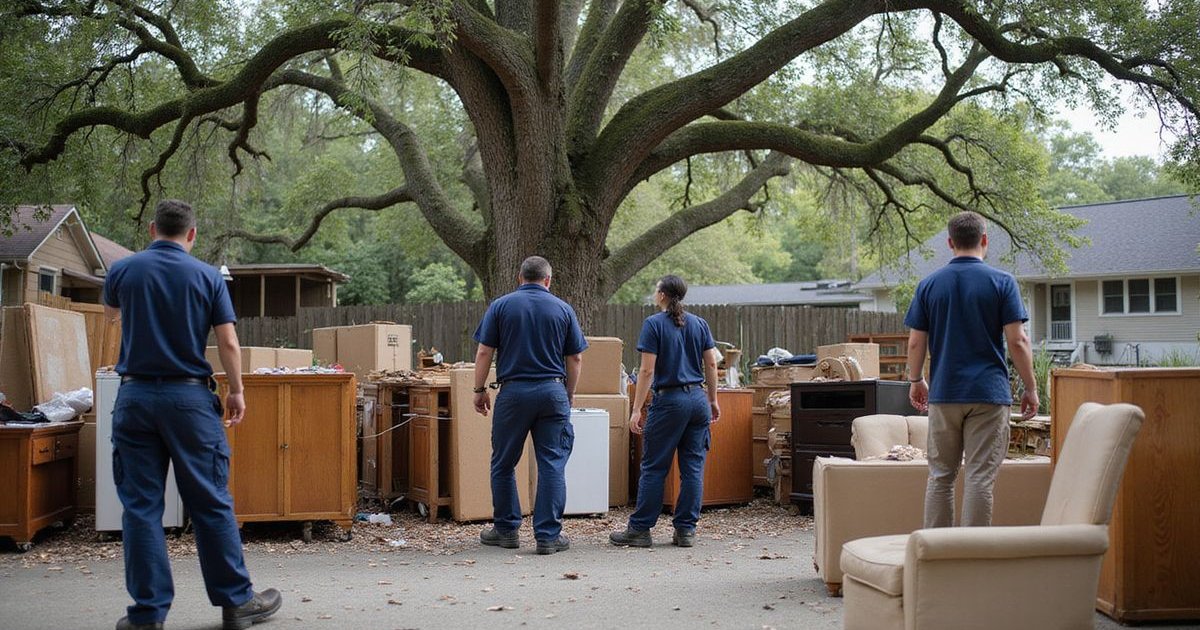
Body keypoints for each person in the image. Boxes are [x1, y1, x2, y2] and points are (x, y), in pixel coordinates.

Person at [104, 200, 281, 630]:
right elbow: (229, 343)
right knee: (209, 501)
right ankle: (237, 603)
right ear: (192, 234)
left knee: (141, 508)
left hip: (135, 397)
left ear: (152, 229)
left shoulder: (122, 271)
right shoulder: (207, 276)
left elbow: (111, 321)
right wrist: (236, 390)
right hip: (189, 402)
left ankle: (147, 616)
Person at [904, 210, 1038, 529]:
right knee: (979, 479)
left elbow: (914, 343)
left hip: (945, 393)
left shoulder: (929, 285)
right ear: (984, 240)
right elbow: (1017, 341)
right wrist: (1030, 387)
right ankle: (971, 558)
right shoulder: (1002, 282)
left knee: (940, 477)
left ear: (950, 242)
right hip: (988, 395)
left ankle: (936, 556)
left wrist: (916, 380)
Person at [471, 256, 587, 555]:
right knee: (551, 463)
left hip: (514, 393)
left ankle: (507, 530)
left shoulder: (501, 306)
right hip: (552, 391)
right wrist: (569, 393)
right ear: (548, 280)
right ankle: (548, 536)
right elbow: (575, 358)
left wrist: (479, 389)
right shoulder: (563, 309)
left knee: (504, 462)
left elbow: (485, 351)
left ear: (519, 277)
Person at [611, 275, 720, 548]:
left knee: (654, 467)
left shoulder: (653, 324)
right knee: (692, 469)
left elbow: (647, 370)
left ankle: (640, 530)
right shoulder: (700, 324)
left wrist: (637, 409)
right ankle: (685, 531)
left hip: (669, 401)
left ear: (662, 295)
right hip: (697, 401)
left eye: (655, 288)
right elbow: (711, 364)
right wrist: (712, 398)